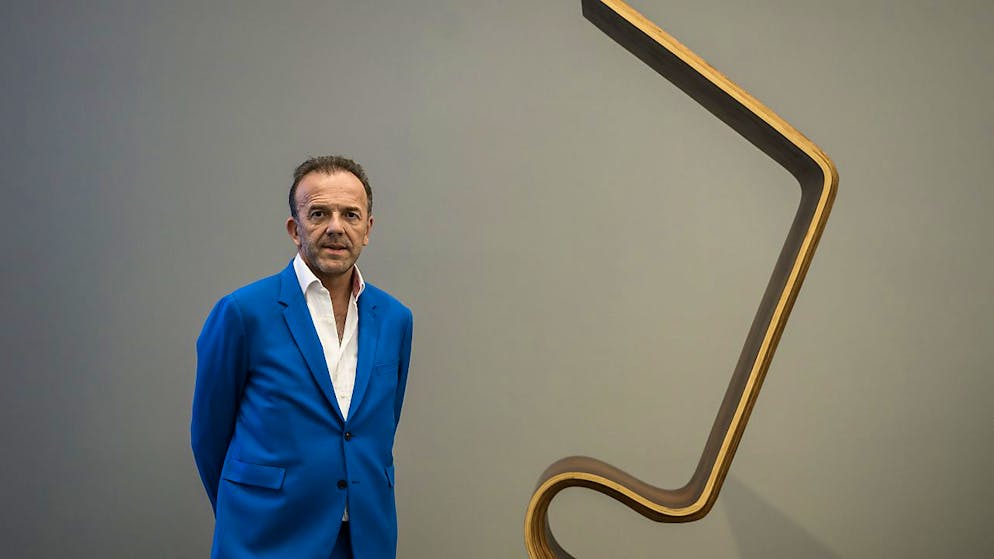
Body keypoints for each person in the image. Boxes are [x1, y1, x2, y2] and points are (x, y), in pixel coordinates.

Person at [192, 155, 413, 558]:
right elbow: (209, 437)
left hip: (364, 538)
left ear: (367, 229)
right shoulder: (242, 313)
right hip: (267, 538)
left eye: (350, 214)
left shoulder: (396, 319)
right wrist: (242, 516)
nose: (336, 227)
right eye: (319, 213)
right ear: (295, 229)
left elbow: (378, 426)